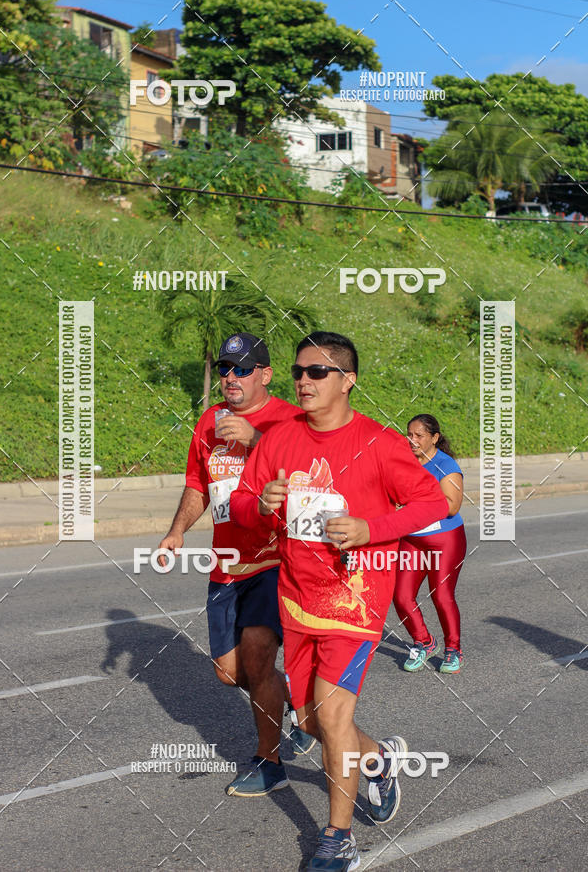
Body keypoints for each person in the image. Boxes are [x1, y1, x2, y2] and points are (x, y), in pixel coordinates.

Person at [231, 331, 449, 871]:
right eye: (299, 372)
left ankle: (338, 839)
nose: (303, 381)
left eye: (318, 372)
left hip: (355, 602)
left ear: (347, 380)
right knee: (309, 721)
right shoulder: (280, 438)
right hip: (297, 598)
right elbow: (238, 504)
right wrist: (260, 502)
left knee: (330, 718)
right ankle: (377, 760)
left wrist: (370, 527)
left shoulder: (379, 443)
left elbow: (432, 502)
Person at [158, 332, 314, 798]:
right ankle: (298, 704)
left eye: (242, 369)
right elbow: (197, 485)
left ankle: (269, 762)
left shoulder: (290, 418)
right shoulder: (209, 421)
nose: (231, 378)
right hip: (227, 565)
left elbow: (312, 470)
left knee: (258, 660)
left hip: (276, 561)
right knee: (229, 672)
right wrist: (177, 530)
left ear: (265, 375)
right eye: (225, 369)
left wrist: (257, 438)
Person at [393, 414, 467, 674]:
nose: (412, 440)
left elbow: (452, 506)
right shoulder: (403, 461)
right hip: (412, 540)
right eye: (409, 434)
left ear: (434, 438)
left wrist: (413, 507)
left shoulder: (446, 466)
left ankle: (453, 650)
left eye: (419, 436)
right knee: (401, 596)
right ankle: (424, 641)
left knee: (442, 596)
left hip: (444, 541)